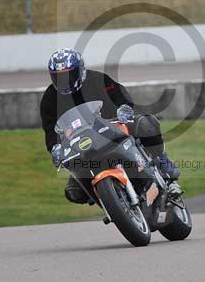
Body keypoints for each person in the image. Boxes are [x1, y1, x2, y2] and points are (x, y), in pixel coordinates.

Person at [40, 48, 182, 204]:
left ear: (80, 70)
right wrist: (55, 148)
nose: (64, 81)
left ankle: (164, 166)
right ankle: (111, 200)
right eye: (58, 77)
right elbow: (50, 129)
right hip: (82, 144)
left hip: (114, 126)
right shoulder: (50, 98)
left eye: (68, 75)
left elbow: (118, 94)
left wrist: (124, 107)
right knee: (74, 193)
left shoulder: (98, 79)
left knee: (147, 124)